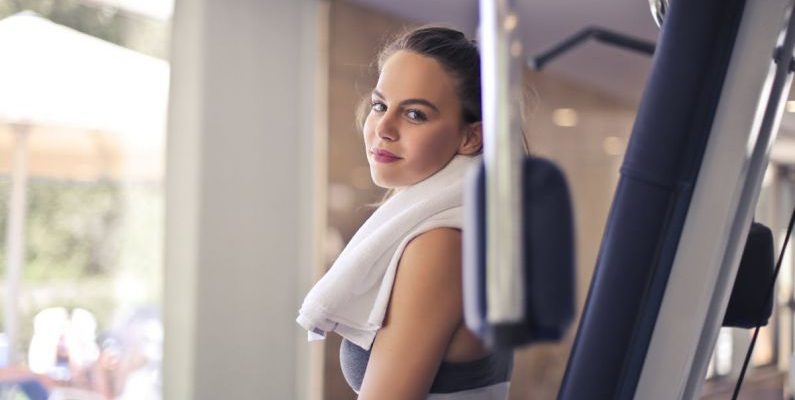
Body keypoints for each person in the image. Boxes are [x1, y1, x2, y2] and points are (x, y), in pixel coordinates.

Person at [297, 26, 513, 399]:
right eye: (380, 105)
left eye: (414, 114)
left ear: (470, 137)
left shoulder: (441, 244)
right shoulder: (458, 227)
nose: (383, 127)